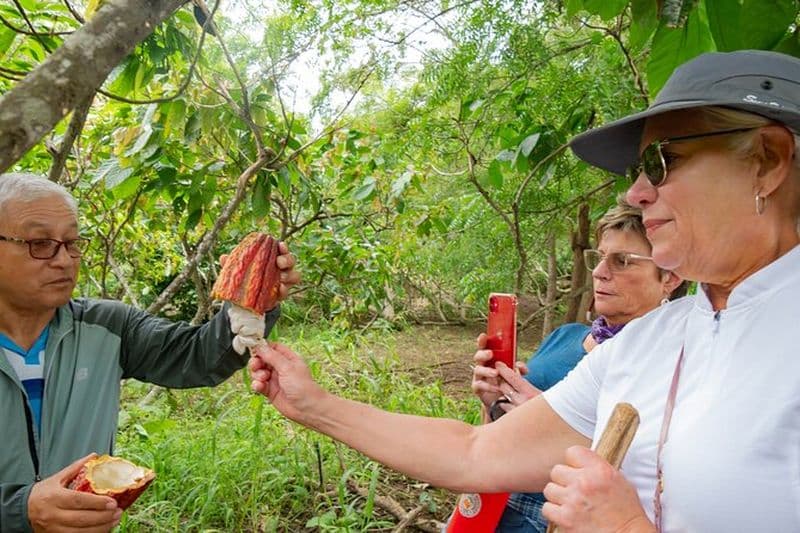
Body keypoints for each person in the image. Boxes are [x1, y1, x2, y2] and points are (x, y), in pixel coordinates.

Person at [249, 49, 800, 532]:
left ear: (768, 161)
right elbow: (476, 452)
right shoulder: (649, 342)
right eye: (639, 169)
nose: (637, 192)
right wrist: (313, 405)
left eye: (664, 162)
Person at [0, 173, 300, 532]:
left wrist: (249, 305)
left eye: (73, 242)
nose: (64, 260)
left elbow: (197, 357)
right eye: (41, 243)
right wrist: (22, 509)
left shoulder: (107, 326)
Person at [471, 199, 686, 533]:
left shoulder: (673, 368)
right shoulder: (565, 336)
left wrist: (543, 430)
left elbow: (655, 472)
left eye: (622, 261)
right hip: (490, 510)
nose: (600, 272)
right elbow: (491, 438)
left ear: (670, 277)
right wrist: (492, 401)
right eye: (599, 258)